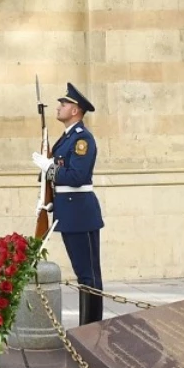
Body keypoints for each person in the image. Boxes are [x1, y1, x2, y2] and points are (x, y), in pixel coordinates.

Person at [33, 82, 104, 325]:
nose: (59, 106)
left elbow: (77, 176)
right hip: (68, 210)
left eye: (64, 103)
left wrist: (49, 168)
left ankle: (92, 328)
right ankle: (90, 328)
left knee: (88, 275)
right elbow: (57, 176)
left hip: (80, 213)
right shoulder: (65, 139)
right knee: (83, 273)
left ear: (75, 110)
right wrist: (48, 200)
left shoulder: (82, 139)